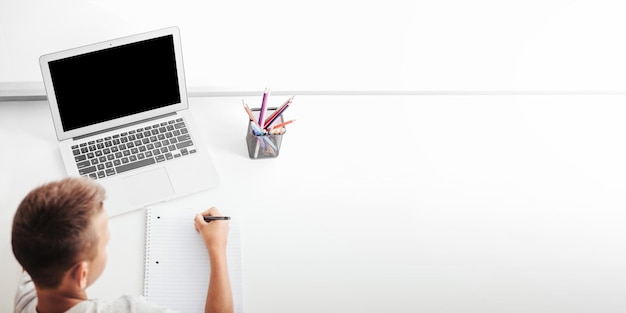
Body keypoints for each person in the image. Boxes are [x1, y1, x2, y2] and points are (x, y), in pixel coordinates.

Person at [11, 176, 233, 313]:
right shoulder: (130, 310)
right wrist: (216, 246)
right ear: (81, 275)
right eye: (105, 241)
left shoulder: (25, 296)